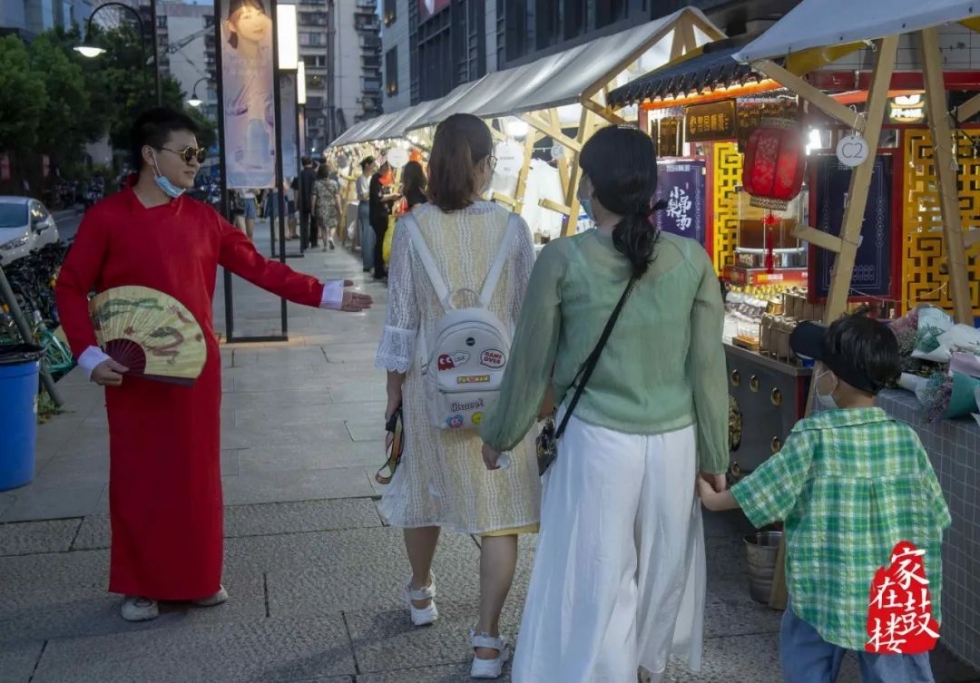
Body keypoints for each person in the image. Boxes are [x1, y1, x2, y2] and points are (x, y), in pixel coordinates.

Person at [55, 107, 373, 623]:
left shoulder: (204, 220)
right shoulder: (107, 218)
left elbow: (260, 268)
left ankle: (199, 577)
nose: (195, 164)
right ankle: (141, 585)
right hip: (132, 375)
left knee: (196, 476)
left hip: (193, 370)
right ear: (149, 155)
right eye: (186, 154)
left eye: (198, 155)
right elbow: (70, 287)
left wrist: (327, 294)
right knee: (138, 477)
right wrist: (88, 354)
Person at [479, 124, 728, 683]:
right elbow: (708, 370)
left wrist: (501, 434)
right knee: (663, 566)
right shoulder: (690, 259)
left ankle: (601, 671)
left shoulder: (563, 260)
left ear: (591, 184)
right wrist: (714, 455)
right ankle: (644, 667)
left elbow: (530, 362)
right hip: (675, 444)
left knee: (596, 573)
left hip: (596, 444)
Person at [698, 313, 951, 683]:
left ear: (837, 377)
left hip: (825, 587)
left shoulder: (814, 436)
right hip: (895, 592)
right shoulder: (905, 439)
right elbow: (937, 514)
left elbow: (766, 489)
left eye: (821, 365)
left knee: (806, 658)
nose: (818, 371)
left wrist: (710, 499)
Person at [376, 113, 541, 679]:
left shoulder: (413, 227)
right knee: (499, 517)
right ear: (480, 164)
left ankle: (421, 593)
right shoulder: (513, 229)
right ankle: (487, 643)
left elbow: (401, 323)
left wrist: (393, 395)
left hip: (433, 389)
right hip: (501, 391)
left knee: (422, 492)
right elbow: (528, 317)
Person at [221, 0, 275, 189]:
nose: (256, 22)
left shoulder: (271, 65)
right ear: (231, 25)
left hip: (265, 161)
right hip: (239, 158)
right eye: (246, 16)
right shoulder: (229, 67)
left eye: (259, 14)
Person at [369, 161, 400, 281]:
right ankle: (379, 271)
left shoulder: (385, 179)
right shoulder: (375, 179)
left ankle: (381, 269)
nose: (389, 169)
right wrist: (392, 196)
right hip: (378, 216)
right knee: (380, 242)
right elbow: (378, 197)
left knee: (382, 242)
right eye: (388, 167)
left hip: (384, 214)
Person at [312, 162, 341, 252]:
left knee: (323, 227)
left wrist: (312, 209)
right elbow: (337, 196)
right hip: (331, 206)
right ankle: (331, 237)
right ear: (329, 173)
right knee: (333, 224)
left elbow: (313, 197)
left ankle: (325, 246)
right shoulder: (334, 183)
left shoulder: (316, 184)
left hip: (320, 207)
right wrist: (340, 208)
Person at [357, 157, 376, 272]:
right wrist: (374, 189)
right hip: (366, 207)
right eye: (373, 165)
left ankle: (370, 262)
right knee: (368, 235)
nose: (374, 167)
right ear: (367, 165)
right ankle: (367, 263)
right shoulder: (361, 179)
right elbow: (363, 196)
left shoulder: (370, 178)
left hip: (371, 206)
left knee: (371, 235)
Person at [297, 156, 318, 250]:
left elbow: (296, 190)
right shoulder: (315, 174)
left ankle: (304, 243)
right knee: (314, 222)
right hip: (314, 201)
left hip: (303, 201)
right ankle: (314, 242)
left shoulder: (300, 174)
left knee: (304, 223)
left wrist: (296, 202)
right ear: (311, 162)